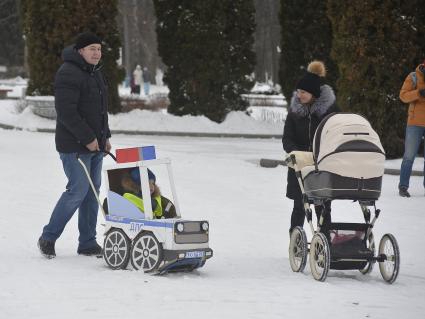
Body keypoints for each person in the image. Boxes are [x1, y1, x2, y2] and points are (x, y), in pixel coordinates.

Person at [38, 32, 112, 259]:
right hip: (74, 146)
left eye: (99, 49)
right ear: (80, 51)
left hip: (95, 145)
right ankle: (48, 237)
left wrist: (104, 136)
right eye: (92, 49)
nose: (96, 53)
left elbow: (101, 110)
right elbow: (66, 113)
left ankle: (88, 243)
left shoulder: (95, 73)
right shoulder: (68, 73)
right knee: (77, 190)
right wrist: (88, 138)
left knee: (92, 193)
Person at [282, 61, 339, 234]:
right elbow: (287, 138)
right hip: (300, 166)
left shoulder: (329, 111)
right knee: (299, 206)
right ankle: (295, 241)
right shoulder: (294, 112)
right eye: (298, 92)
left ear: (313, 93)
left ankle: (325, 240)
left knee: (322, 207)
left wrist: (324, 153)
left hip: (321, 164)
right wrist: (296, 153)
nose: (300, 95)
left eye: (303, 92)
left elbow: (336, 134)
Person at [398, 61, 425, 197]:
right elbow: (403, 95)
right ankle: (403, 187)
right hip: (415, 123)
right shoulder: (414, 76)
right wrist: (418, 93)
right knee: (409, 156)